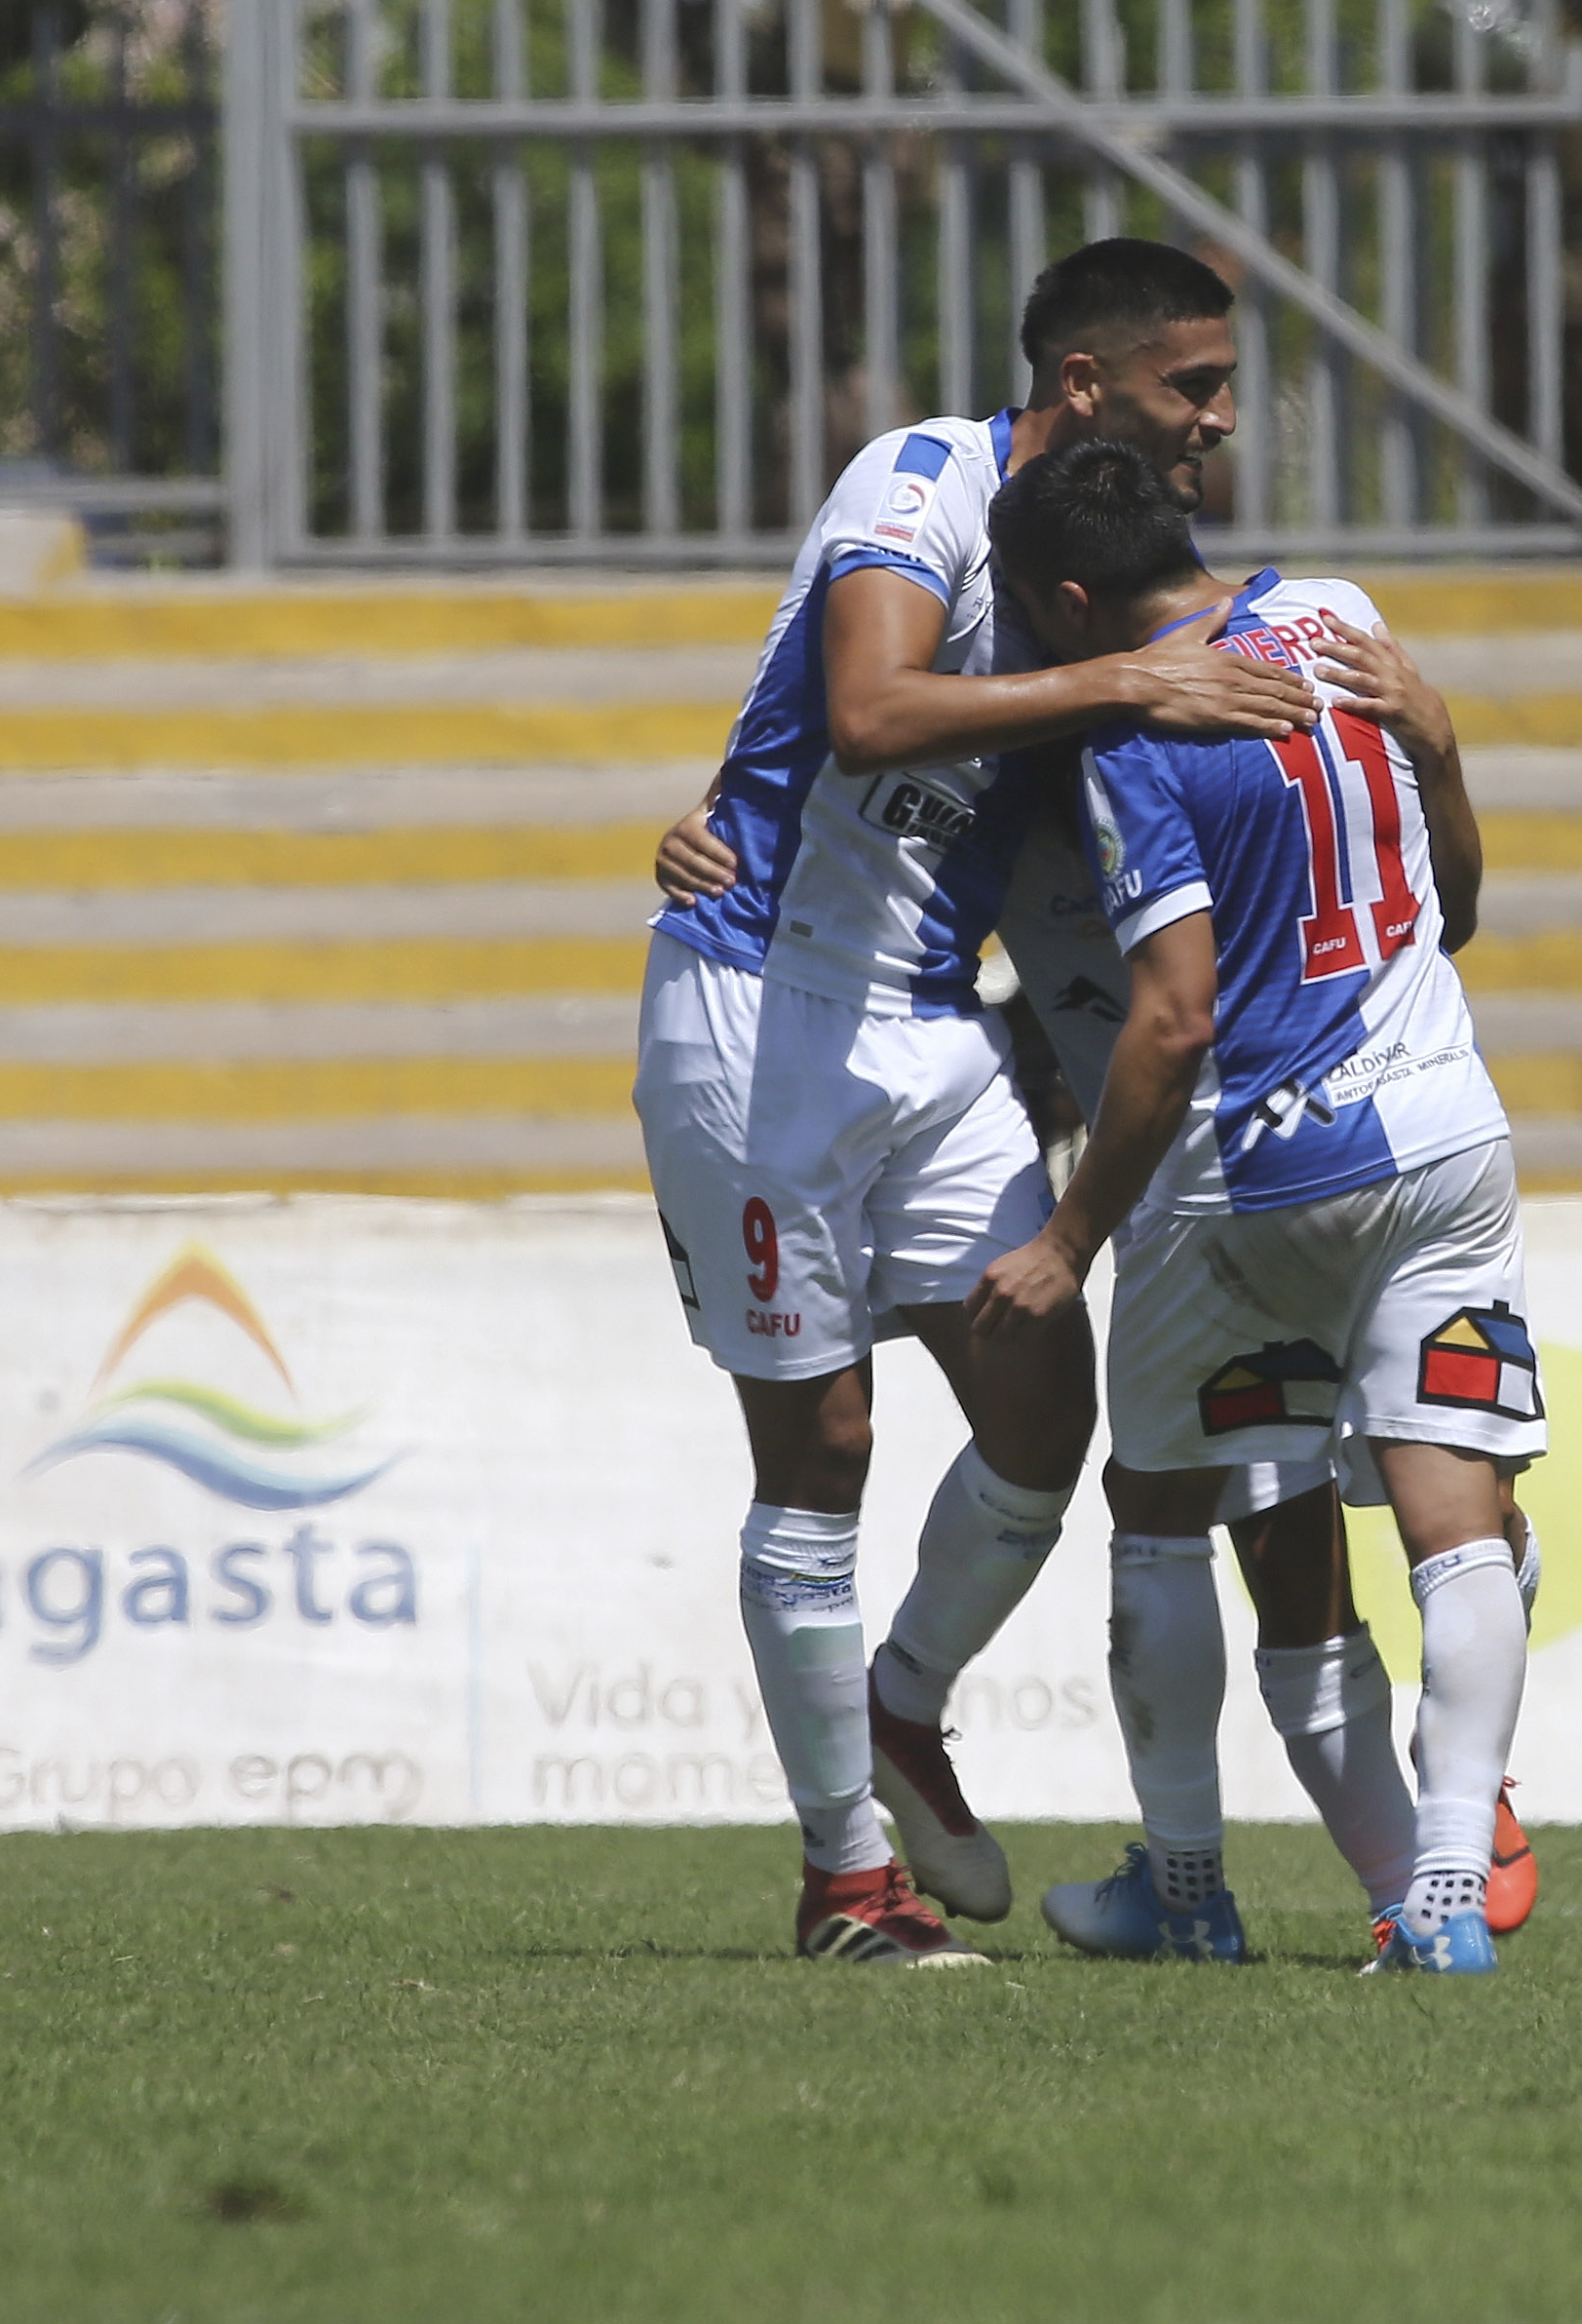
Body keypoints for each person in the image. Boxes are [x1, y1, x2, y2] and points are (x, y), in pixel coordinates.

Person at [635, 237, 1326, 1965]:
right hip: (758, 1010)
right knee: (825, 1443)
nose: (1220, 423)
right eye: (1193, 385)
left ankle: (899, 1701)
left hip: (938, 1030)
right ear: (1081, 382)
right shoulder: (927, 479)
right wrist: (1126, 682)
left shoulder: (1113, 579)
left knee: (1042, 1405)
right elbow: (865, 712)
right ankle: (842, 1881)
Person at [972, 441, 1541, 1978]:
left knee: (1159, 1508)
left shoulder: (1139, 730)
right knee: (1453, 1516)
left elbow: (1169, 1022)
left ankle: (1184, 1883)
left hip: (1257, 1171)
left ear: (1071, 596)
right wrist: (1437, 741)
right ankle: (1439, 1892)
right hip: (1445, 1128)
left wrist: (1065, 1237)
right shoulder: (1345, 621)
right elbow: (1459, 908)